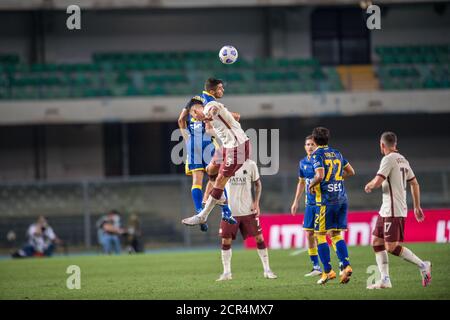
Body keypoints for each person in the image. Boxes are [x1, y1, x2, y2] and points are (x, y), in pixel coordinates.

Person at [364, 131, 431, 289]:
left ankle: (423, 265)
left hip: (393, 210)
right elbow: (415, 183)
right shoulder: (403, 159)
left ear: (382, 145)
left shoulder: (388, 159)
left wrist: (369, 185)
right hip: (386, 209)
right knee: (376, 242)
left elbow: (378, 180)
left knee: (391, 247)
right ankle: (385, 280)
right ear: (395, 143)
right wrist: (416, 206)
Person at [181, 98, 249, 227]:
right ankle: (222, 211)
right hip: (204, 147)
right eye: (195, 110)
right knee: (214, 177)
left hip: (204, 147)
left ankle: (205, 212)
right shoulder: (199, 117)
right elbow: (181, 121)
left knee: (216, 179)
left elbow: (181, 120)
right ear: (193, 111)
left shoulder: (205, 115)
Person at [177, 78, 235, 231]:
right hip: (208, 142)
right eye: (220, 88)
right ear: (212, 90)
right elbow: (211, 122)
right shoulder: (212, 103)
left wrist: (187, 138)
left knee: (197, 180)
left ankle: (199, 212)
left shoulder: (193, 99)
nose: (223, 91)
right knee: (218, 178)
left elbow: (181, 119)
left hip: (193, 143)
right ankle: (226, 212)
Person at [291, 135, 344, 277]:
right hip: (310, 203)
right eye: (307, 144)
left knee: (328, 233)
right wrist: (296, 201)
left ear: (317, 146)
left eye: (312, 144)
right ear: (304, 146)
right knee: (309, 233)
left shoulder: (321, 160)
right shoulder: (302, 163)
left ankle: (340, 262)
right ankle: (316, 267)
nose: (309, 147)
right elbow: (301, 183)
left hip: (324, 202)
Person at [308, 127, 355, 285]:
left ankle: (328, 271)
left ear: (314, 141)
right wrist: (336, 179)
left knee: (319, 235)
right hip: (342, 198)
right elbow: (351, 172)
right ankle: (346, 265)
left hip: (326, 201)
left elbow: (320, 176)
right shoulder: (337, 153)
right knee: (335, 234)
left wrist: (311, 184)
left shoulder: (317, 155)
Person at [217, 159, 277, 281]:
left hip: (248, 210)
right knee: (225, 241)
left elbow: (258, 184)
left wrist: (257, 202)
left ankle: (267, 270)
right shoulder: (225, 163)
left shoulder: (251, 164)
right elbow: (218, 183)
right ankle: (227, 273)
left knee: (259, 238)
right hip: (230, 212)